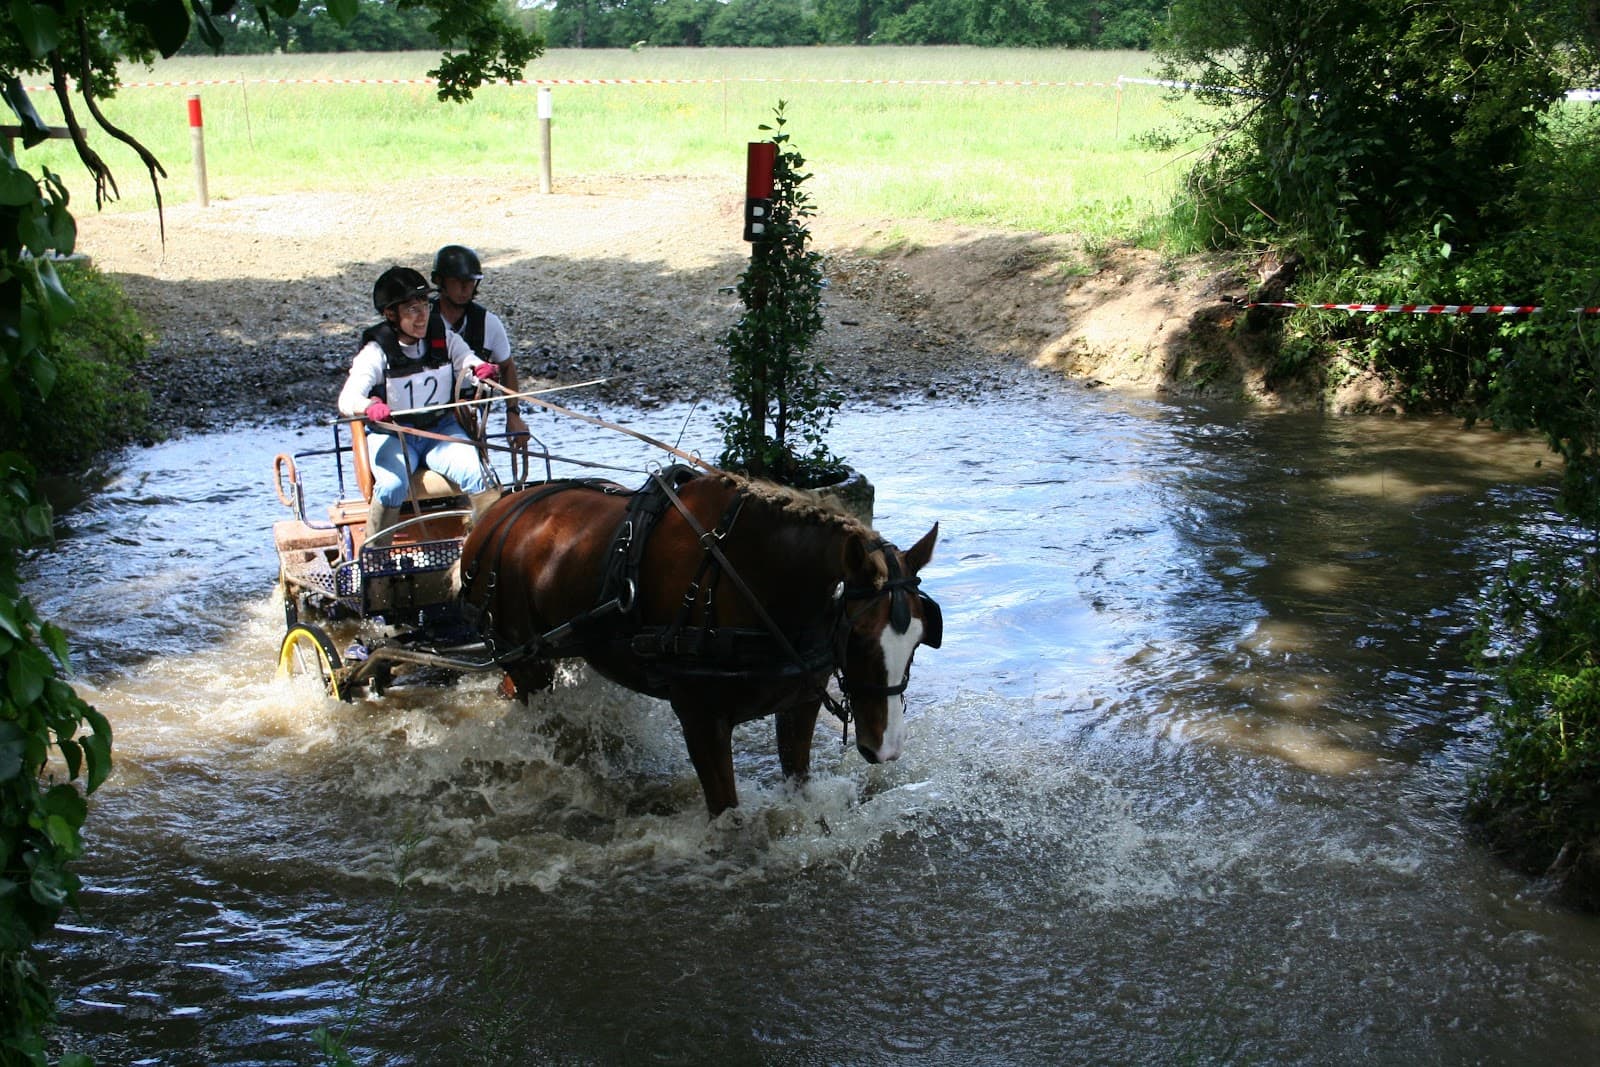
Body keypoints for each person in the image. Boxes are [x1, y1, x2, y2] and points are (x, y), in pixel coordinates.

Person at [338, 266, 500, 543]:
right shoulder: (376, 352)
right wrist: (368, 407)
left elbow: (467, 360)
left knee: (480, 474)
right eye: (412, 309)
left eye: (425, 305)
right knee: (392, 485)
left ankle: (489, 547)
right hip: (394, 435)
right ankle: (375, 558)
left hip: (441, 430)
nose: (423, 316)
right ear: (391, 314)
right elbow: (346, 399)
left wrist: (480, 368)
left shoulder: (444, 336)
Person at [430, 244, 529, 439]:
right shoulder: (422, 322)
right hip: (429, 419)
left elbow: (507, 367)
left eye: (471, 282)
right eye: (457, 282)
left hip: (472, 418)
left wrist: (513, 414)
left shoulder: (489, 323)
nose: (465, 288)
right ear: (439, 281)